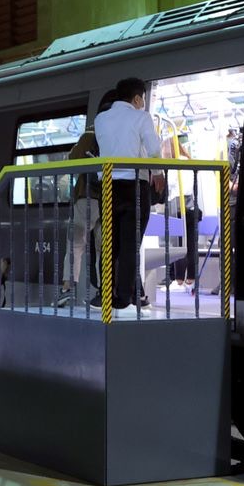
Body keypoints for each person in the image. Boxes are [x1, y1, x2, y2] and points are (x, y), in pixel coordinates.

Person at [94, 76, 162, 312]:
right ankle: (124, 297)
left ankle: (106, 293)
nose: (143, 104)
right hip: (134, 186)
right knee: (130, 243)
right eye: (142, 99)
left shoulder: (100, 119)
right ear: (136, 98)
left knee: (110, 244)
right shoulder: (141, 117)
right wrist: (160, 173)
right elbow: (154, 150)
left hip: (108, 187)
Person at [59, 89, 117, 307]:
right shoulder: (120, 136)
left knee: (75, 244)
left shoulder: (91, 133)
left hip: (87, 197)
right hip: (111, 197)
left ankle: (67, 289)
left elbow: (72, 159)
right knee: (106, 247)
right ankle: (105, 292)